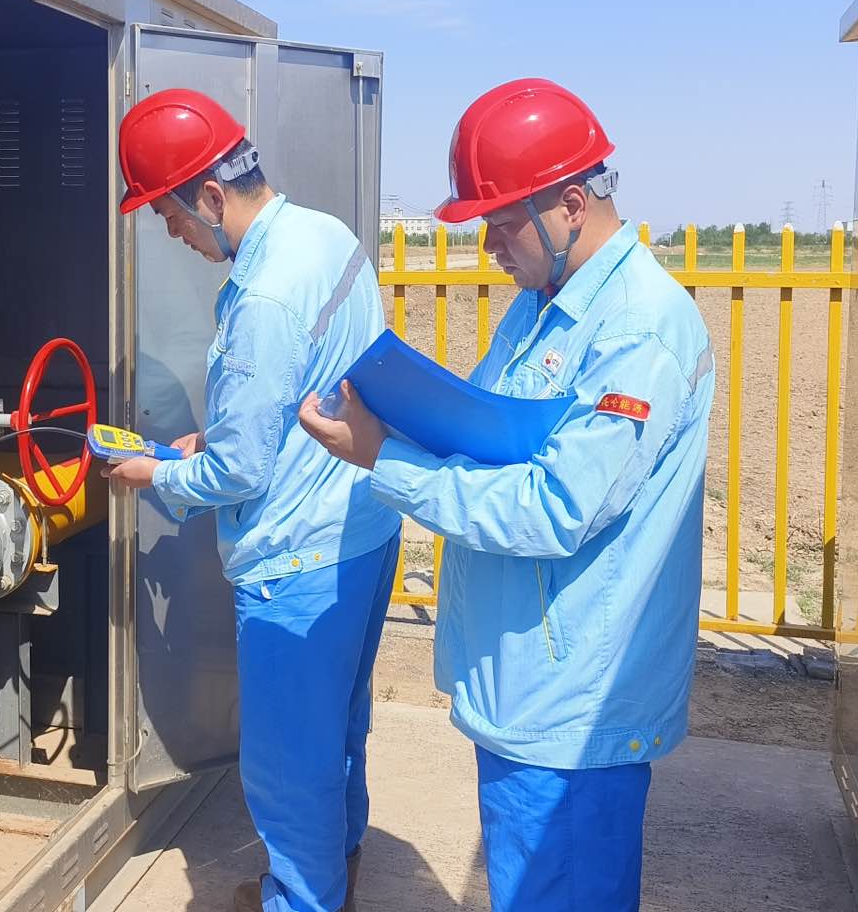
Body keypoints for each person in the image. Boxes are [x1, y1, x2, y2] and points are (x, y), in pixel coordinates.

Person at [299, 78, 715, 911]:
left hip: (572, 708)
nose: (487, 243)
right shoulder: (540, 307)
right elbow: (491, 433)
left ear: (571, 206)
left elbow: (554, 507)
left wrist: (386, 460)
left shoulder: (638, 331)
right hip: (526, 681)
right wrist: (401, 420)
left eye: (499, 220)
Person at [103, 88, 402, 912]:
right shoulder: (326, 235)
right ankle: (336, 871)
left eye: (171, 216)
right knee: (337, 731)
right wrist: (219, 436)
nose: (173, 233)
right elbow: (311, 390)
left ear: (210, 194)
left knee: (286, 765)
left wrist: (154, 475)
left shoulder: (264, 293)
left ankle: (301, 900)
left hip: (297, 563)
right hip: (363, 532)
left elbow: (239, 474)